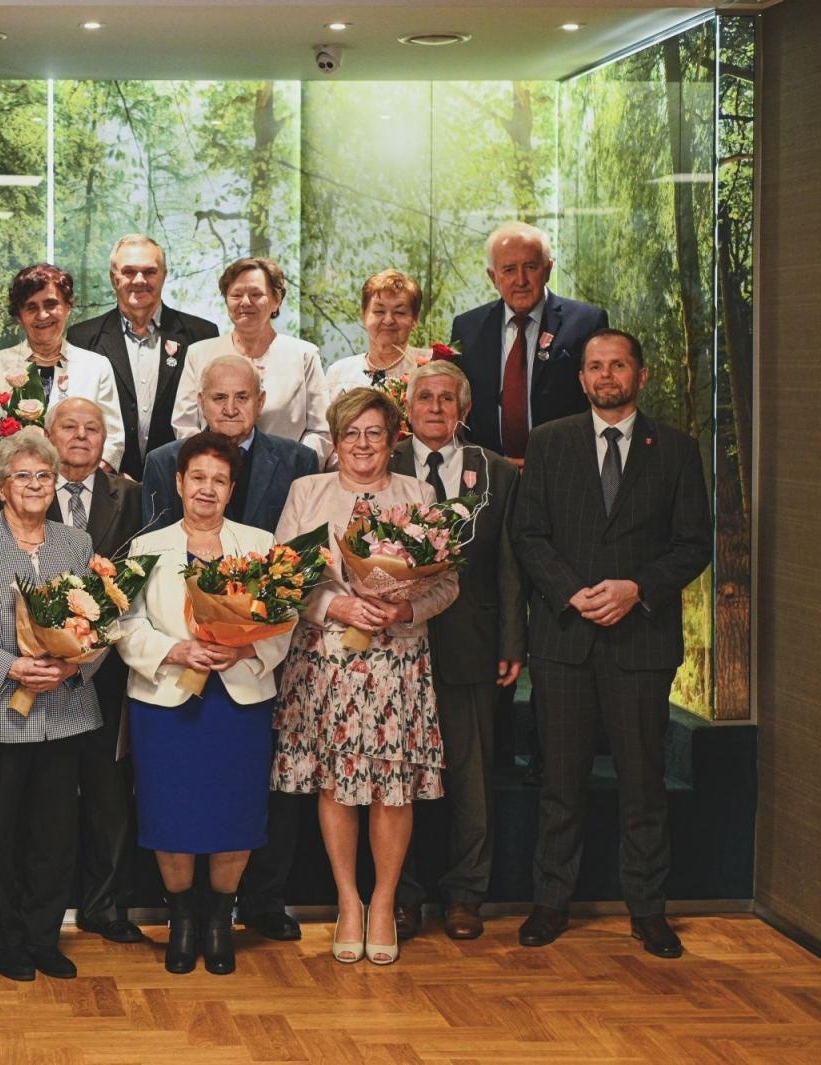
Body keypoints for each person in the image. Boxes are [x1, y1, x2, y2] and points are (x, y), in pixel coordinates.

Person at [509, 329, 711, 959]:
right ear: (582, 378)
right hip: (566, 639)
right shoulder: (549, 444)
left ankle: (647, 910)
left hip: (640, 641)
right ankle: (550, 902)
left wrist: (635, 588)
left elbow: (693, 543)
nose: (605, 376)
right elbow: (530, 534)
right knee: (560, 781)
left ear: (639, 375)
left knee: (643, 781)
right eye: (595, 366)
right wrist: (573, 593)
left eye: (617, 365)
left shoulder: (676, 450)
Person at [271, 387, 459, 965]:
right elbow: (283, 577)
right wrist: (336, 606)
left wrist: (405, 608)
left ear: (394, 439)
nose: (361, 444)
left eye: (374, 433)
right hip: (327, 662)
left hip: (398, 663)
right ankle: (347, 902)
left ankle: (383, 902)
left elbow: (448, 583)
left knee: (392, 789)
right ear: (334, 439)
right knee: (337, 784)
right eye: (350, 433)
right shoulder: (308, 492)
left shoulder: (418, 493)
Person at [117, 432, 296, 975]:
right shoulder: (146, 547)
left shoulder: (260, 542)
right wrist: (175, 649)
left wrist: (244, 647)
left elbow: (284, 621)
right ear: (178, 482)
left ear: (231, 488)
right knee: (170, 813)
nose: (207, 489)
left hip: (238, 700)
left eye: (219, 480)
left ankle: (219, 918)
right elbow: (123, 625)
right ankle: (183, 918)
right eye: (198, 477)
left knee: (233, 813)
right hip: (166, 701)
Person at [0, 428, 102, 982]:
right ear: (0, 487)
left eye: (44, 476)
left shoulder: (75, 545)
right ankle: (7, 942)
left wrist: (73, 662)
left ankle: (43, 937)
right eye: (23, 477)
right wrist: (10, 667)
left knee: (55, 838)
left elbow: (105, 622)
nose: (35, 485)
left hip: (63, 712)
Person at [389, 360, 526, 941]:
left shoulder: (495, 472)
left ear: (463, 410)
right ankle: (404, 894)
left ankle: (467, 893)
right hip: (394, 646)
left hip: (472, 643)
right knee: (403, 774)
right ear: (409, 408)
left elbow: (510, 566)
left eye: (448, 399)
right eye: (426, 397)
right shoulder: (382, 465)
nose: (437, 408)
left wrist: (512, 641)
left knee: (470, 775)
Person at [45, 398, 145, 944]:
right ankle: (47, 904)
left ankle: (106, 907)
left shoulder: (129, 495)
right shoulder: (24, 488)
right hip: (38, 671)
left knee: (108, 793)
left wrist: (93, 649)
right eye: (70, 427)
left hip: (107, 673)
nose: (81, 437)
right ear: (48, 433)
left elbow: (137, 576)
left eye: (93, 429)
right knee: (52, 794)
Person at [452, 221, 610, 462]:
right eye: (509, 270)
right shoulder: (467, 328)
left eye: (530, 266)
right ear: (493, 276)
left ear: (548, 269)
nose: (521, 280)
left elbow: (601, 406)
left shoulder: (587, 322)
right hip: (489, 475)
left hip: (564, 468)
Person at [65, 235, 221, 479]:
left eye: (149, 271)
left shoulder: (201, 335)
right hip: (108, 485)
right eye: (129, 272)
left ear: (164, 276)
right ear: (113, 278)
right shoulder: (83, 338)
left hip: (179, 483)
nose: (139, 280)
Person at [0, 264, 126, 471]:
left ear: (68, 307)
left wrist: (77, 483)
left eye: (51, 304)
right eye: (31, 307)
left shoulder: (96, 367)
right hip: (14, 493)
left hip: (80, 492)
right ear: (19, 316)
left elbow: (113, 440)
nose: (42, 315)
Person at [173, 256, 331, 465]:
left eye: (256, 294)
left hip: (286, 480)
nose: (245, 302)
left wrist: (291, 468)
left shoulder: (303, 355)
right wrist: (210, 467)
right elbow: (185, 425)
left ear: (277, 300)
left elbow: (321, 430)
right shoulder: (199, 353)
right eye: (236, 294)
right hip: (214, 479)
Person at [143, 354, 319, 533]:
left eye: (242, 398)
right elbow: (156, 547)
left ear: (260, 402)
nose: (230, 410)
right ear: (201, 403)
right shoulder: (163, 463)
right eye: (219, 398)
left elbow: (307, 549)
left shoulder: (299, 462)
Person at [324, 269, 431, 399]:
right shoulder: (339, 373)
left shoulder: (431, 366)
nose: (388, 320)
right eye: (379, 311)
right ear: (363, 316)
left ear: (414, 320)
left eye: (400, 312)